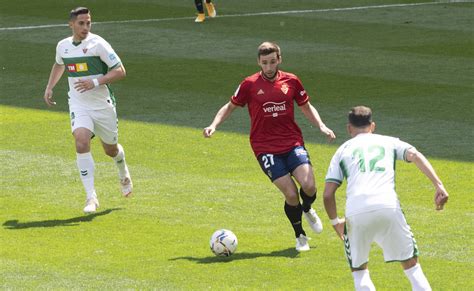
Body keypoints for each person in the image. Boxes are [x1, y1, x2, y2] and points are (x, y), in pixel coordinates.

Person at [203, 42, 336, 251]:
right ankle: (300, 235)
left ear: (279, 60)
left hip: (292, 142)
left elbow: (306, 107)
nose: (269, 67)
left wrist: (322, 126)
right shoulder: (249, 84)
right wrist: (213, 125)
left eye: (272, 62)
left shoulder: (291, 81)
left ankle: (308, 208)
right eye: (264, 63)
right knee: (291, 194)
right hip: (265, 147)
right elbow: (229, 107)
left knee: (309, 186)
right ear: (258, 62)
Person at [323, 106, 449, 291]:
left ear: (349, 128)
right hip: (388, 207)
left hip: (356, 213)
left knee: (359, 270)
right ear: (372, 126)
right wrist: (438, 185)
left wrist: (335, 223)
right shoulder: (388, 142)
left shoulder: (342, 151)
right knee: (413, 268)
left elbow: (328, 194)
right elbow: (414, 155)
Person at [43, 7, 133, 213]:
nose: (85, 27)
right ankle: (91, 197)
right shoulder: (63, 46)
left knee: (110, 149)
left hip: (102, 105)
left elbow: (120, 71)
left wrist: (95, 81)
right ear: (71, 24)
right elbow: (59, 65)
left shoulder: (98, 44)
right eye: (81, 23)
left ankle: (122, 168)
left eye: (88, 23)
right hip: (79, 104)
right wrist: (49, 87)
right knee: (81, 141)